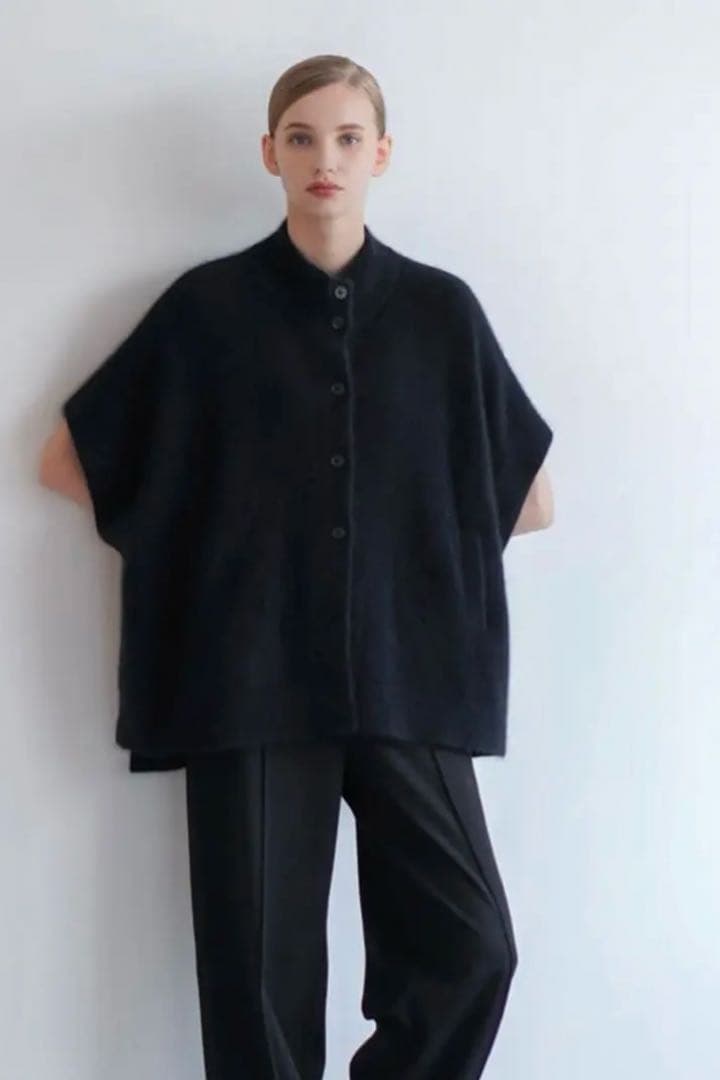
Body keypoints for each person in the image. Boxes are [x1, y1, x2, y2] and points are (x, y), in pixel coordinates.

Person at [39, 53, 555, 1080]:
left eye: (349, 138)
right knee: (259, 992)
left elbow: (530, 499)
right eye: (305, 137)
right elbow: (70, 460)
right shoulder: (208, 311)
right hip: (251, 684)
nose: (327, 158)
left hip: (406, 681)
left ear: (381, 154)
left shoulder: (441, 315)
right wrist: (218, 551)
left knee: (473, 949)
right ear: (270, 152)